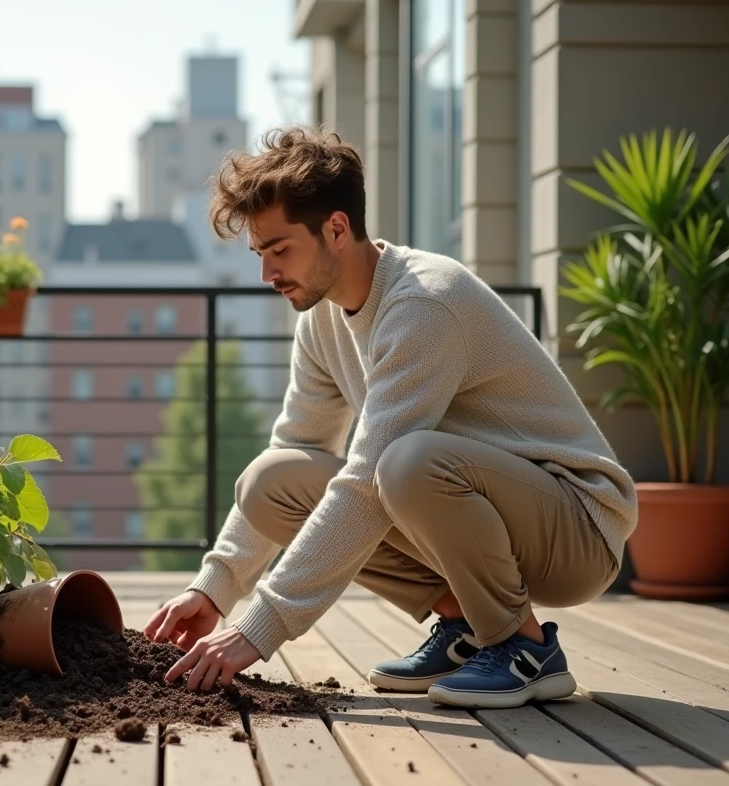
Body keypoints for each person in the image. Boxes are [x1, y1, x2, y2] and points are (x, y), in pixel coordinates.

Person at [142, 127, 637, 709]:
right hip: (489, 513)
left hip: (575, 528)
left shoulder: (424, 303)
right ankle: (466, 624)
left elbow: (366, 481)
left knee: (403, 463)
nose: (267, 274)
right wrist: (217, 586)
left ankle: (525, 647)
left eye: (280, 250)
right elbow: (298, 446)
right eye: (260, 254)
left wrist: (259, 627)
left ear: (336, 228)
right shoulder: (321, 322)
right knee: (272, 481)